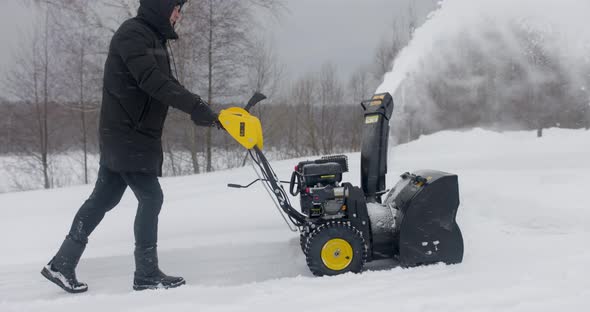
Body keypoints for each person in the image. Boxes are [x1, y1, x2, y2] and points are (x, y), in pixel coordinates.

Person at [41, 0, 217, 293]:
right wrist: (194, 105)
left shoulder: (151, 37)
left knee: (103, 200)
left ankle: (62, 263)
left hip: (129, 134)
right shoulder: (132, 34)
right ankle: (146, 273)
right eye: (176, 7)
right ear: (161, 6)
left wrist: (204, 112)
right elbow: (152, 81)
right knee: (151, 197)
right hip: (127, 134)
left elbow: (166, 82)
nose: (178, 15)